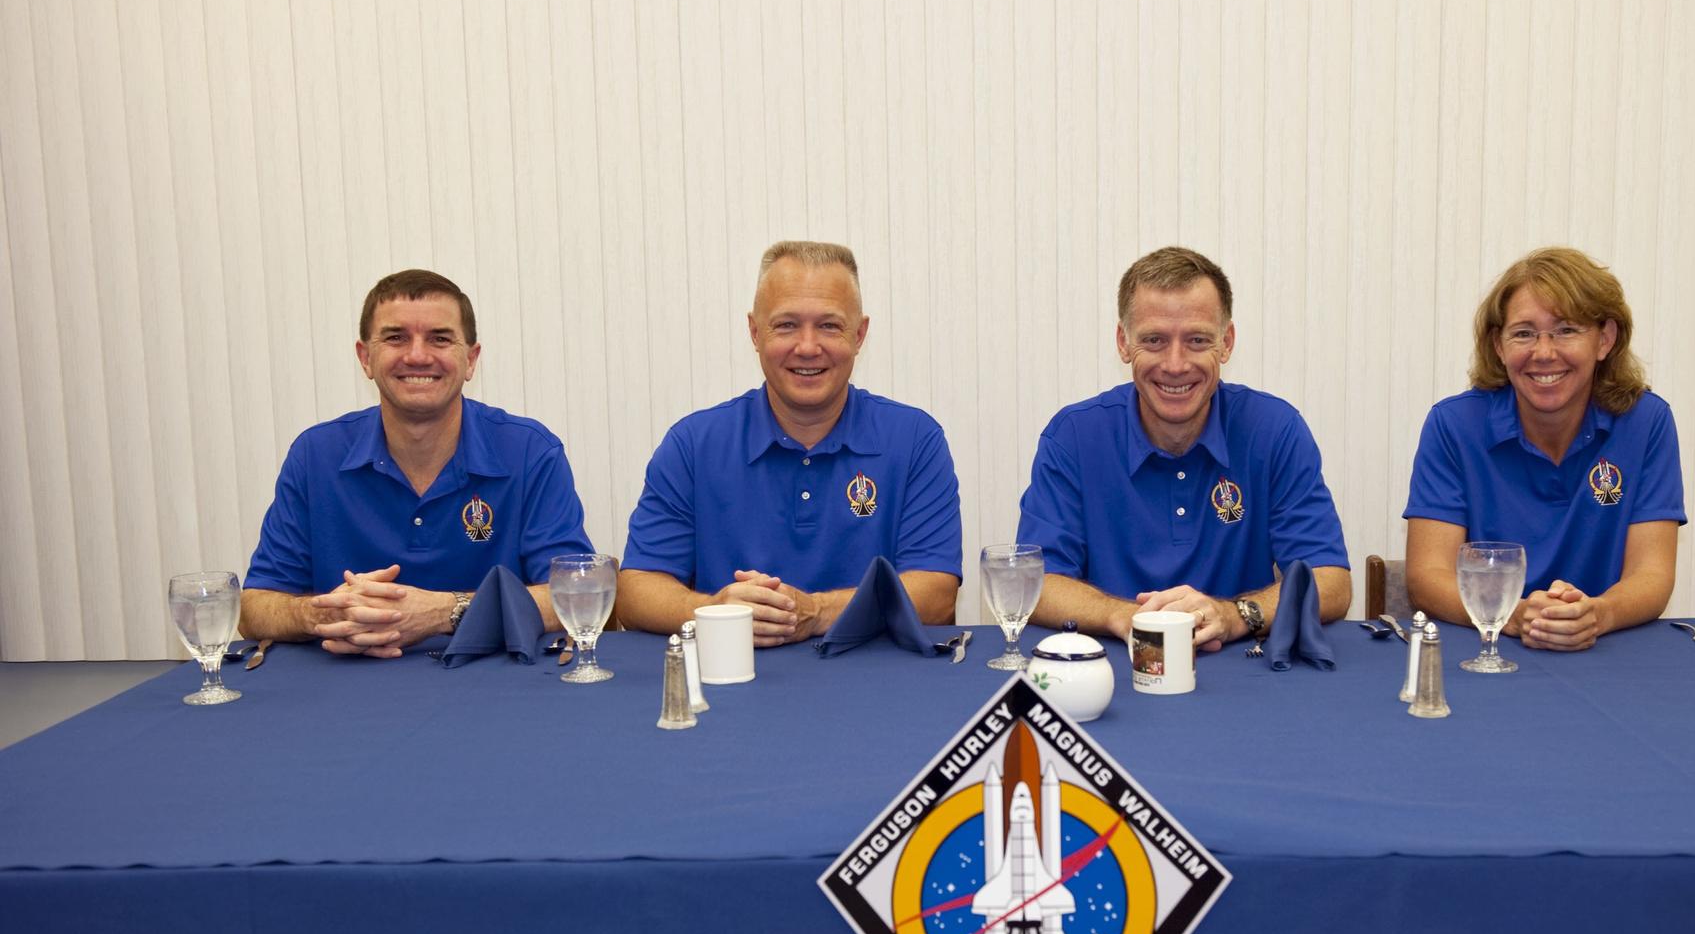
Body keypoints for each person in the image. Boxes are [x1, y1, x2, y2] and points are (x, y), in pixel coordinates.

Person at [615, 241, 961, 645]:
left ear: (859, 335)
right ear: (755, 332)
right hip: (732, 674)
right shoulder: (693, 445)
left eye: (829, 326)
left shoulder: (915, 440)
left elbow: (937, 595)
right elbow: (634, 592)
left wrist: (817, 612)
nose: (808, 347)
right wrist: (713, 611)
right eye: (786, 325)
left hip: (875, 679)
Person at [240, 269, 594, 657]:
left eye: (440, 338)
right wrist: (324, 613)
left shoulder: (529, 451)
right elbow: (254, 608)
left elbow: (576, 594)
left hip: (493, 682)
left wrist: (445, 612)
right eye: (396, 338)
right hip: (346, 683)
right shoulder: (315, 455)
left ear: (471, 360)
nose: (418, 356)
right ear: (365, 358)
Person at [1016, 246, 1351, 651]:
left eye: (1196, 340)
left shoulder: (1275, 430)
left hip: (1243, 670)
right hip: (1112, 666)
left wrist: (1234, 615)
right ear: (1124, 343)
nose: (1175, 365)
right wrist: (1128, 618)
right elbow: (1036, 584)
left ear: (1226, 343)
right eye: (1154, 340)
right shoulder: (1073, 436)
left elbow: (1331, 582)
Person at [1403, 246, 1686, 651]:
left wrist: (1598, 614)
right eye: (1523, 333)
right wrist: (1514, 615)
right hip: (1489, 652)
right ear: (1499, 346)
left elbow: (1652, 575)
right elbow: (1427, 577)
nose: (1544, 352)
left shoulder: (1646, 421)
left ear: (1605, 339)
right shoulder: (1454, 425)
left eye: (1567, 330)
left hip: (1606, 654)